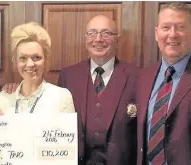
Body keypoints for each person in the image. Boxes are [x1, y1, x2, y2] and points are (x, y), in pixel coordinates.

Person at [58, 15, 138, 165]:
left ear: (117, 40)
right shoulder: (68, 76)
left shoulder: (136, 76)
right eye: (92, 33)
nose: (98, 39)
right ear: (85, 39)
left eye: (106, 33)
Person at [136, 2, 191, 165]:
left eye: (180, 27)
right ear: (156, 33)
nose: (172, 34)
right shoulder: (143, 77)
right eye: (166, 27)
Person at [0, 22, 75, 114]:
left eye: (36, 57)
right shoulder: (1, 99)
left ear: (46, 59)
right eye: (23, 58)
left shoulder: (61, 97)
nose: (30, 64)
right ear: (15, 62)